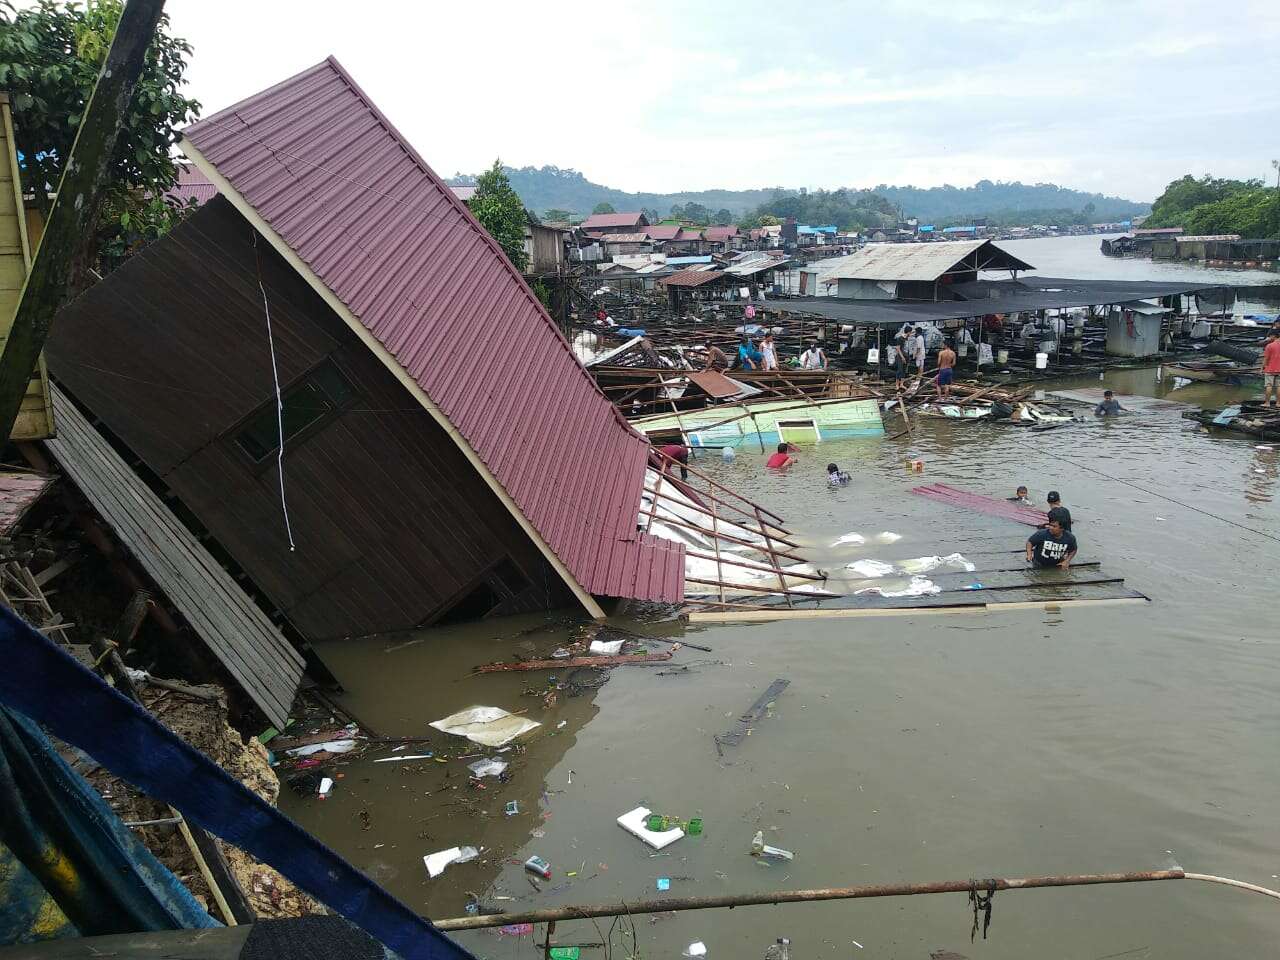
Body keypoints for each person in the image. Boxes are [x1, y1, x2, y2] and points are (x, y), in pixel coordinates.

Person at [1264, 330, 1280, 409]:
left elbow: (1266, 359)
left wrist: (1262, 368)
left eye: (1270, 336)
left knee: (1269, 385)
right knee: (1279, 386)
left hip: (1270, 369)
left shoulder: (1269, 346)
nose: (1269, 338)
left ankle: (1267, 403)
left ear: (1273, 336)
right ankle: (1278, 403)